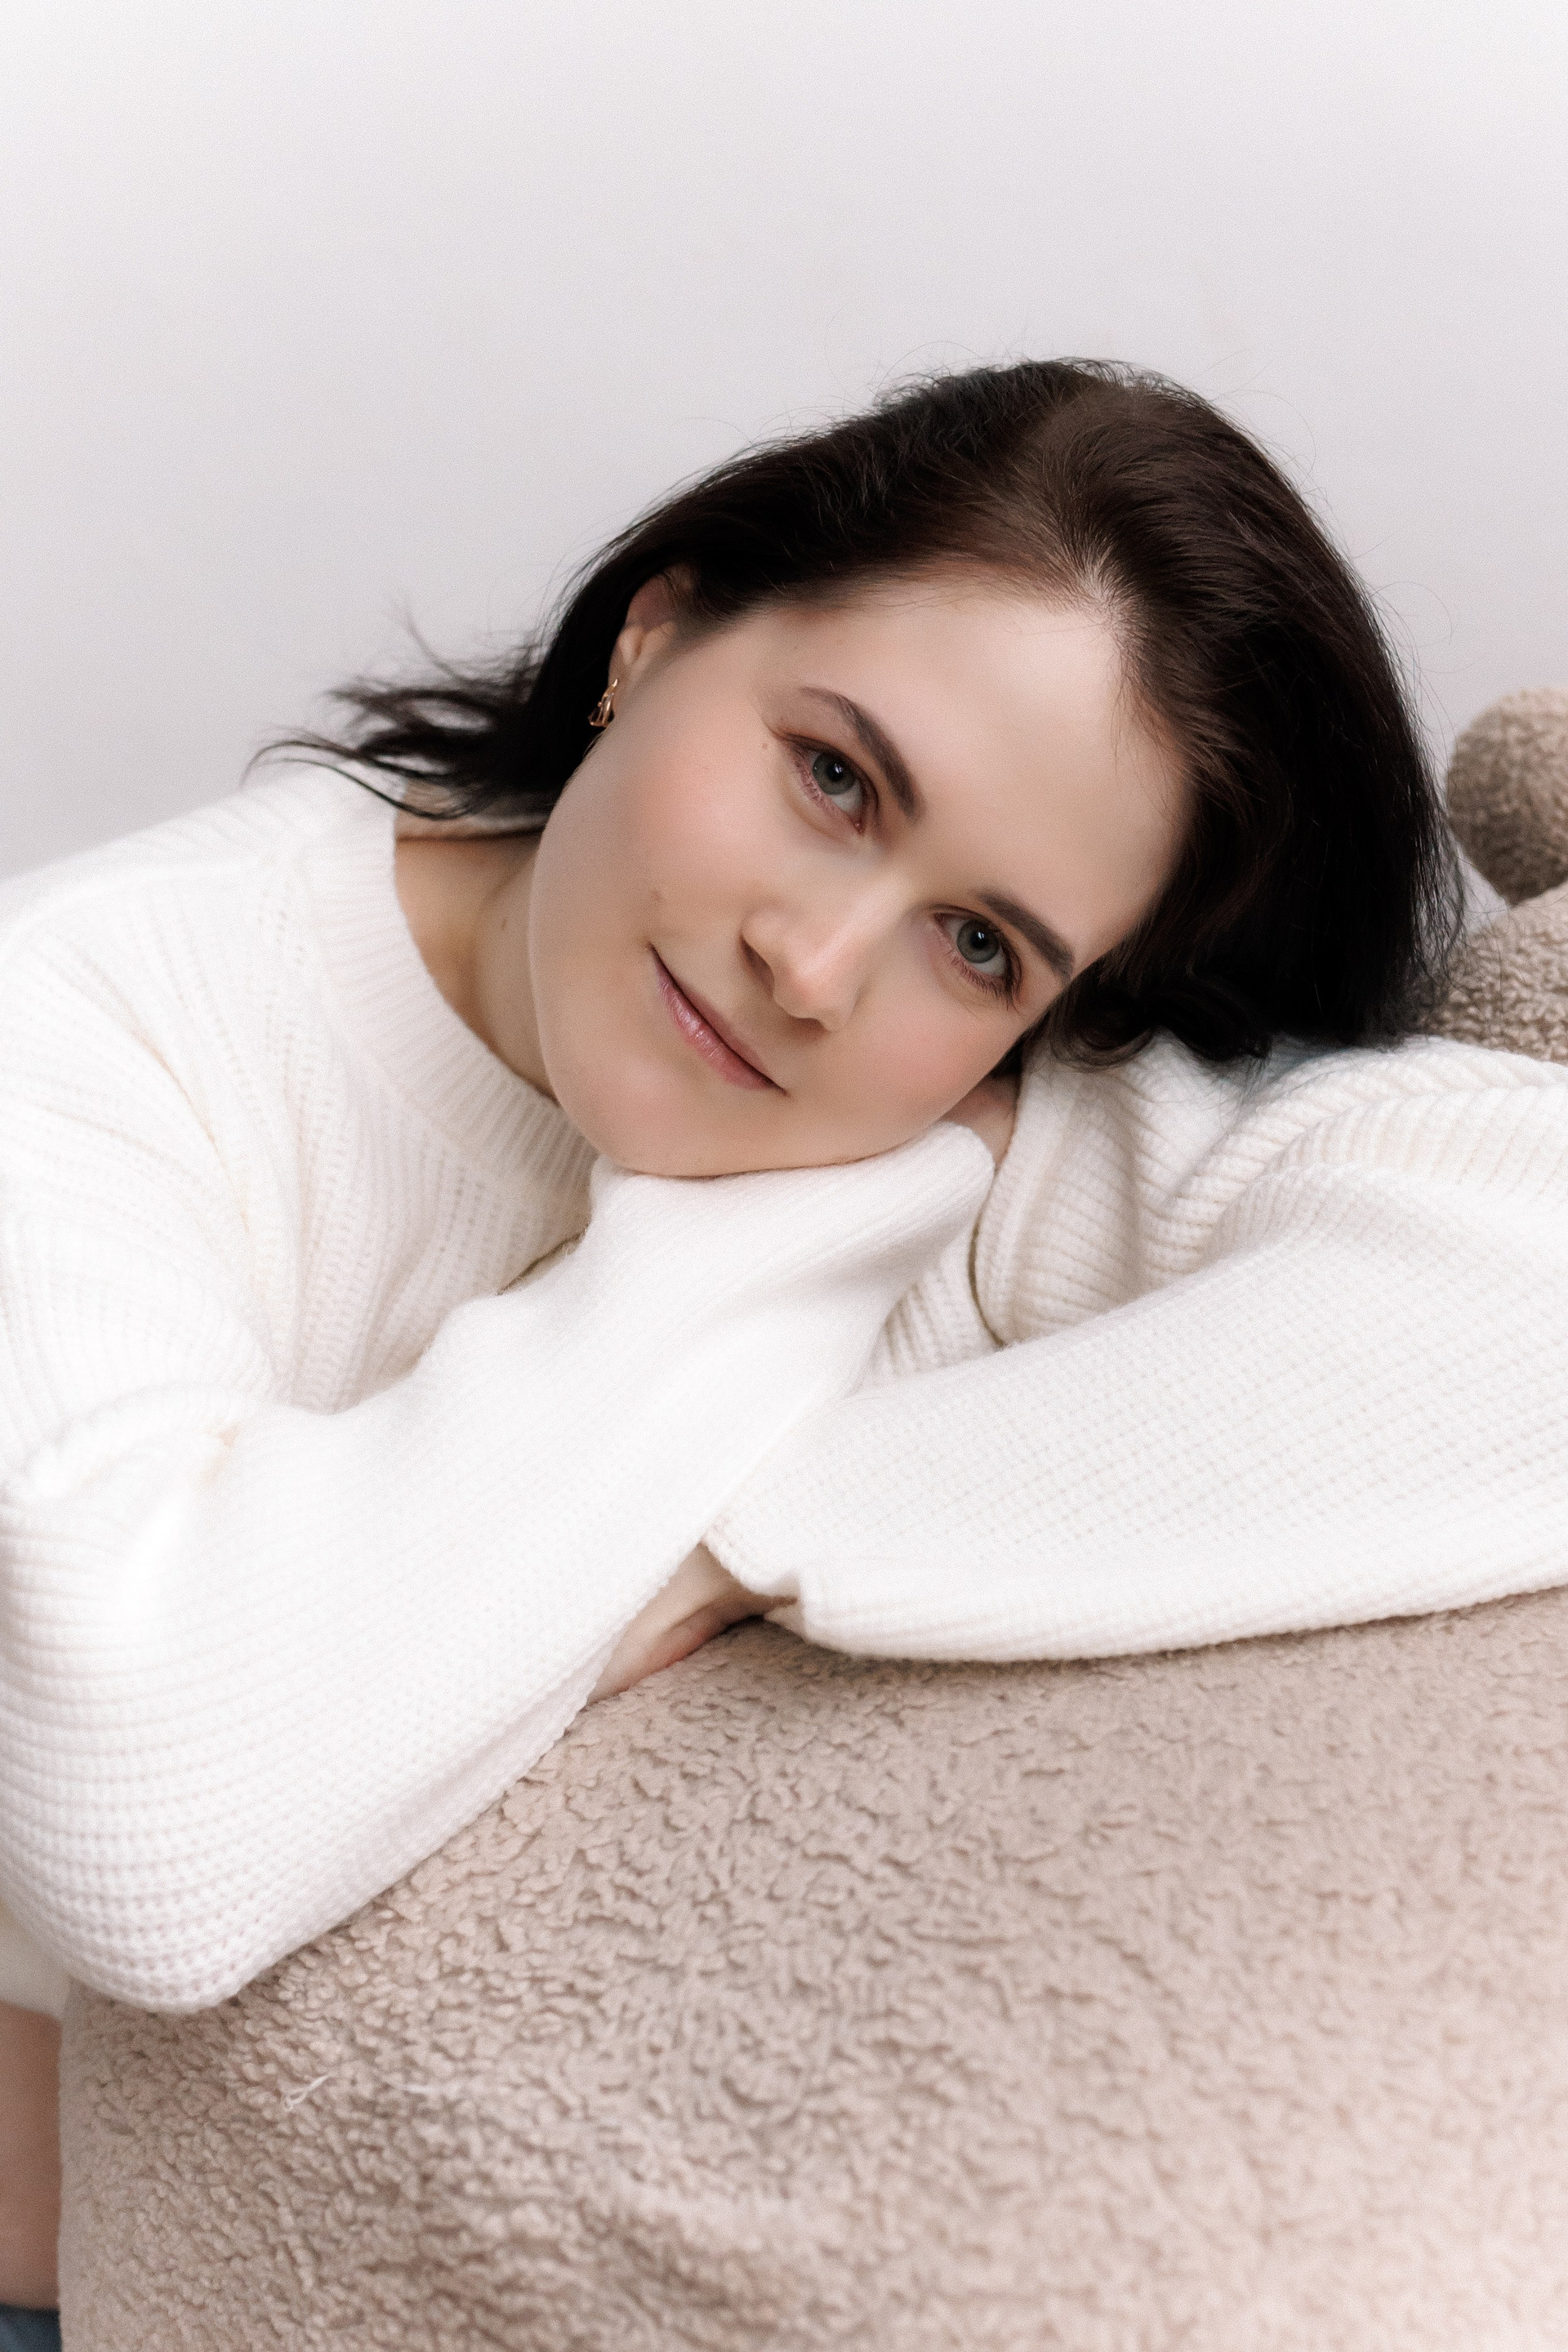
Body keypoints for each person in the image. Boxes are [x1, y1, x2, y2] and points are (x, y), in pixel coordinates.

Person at [2, 359, 1566, 2326]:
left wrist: (730, 1546)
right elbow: (157, 1815)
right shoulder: (96, 1022)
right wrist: (760, 1259)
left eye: (980, 940)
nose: (816, 969)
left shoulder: (963, 1111)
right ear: (653, 638)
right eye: (834, 778)